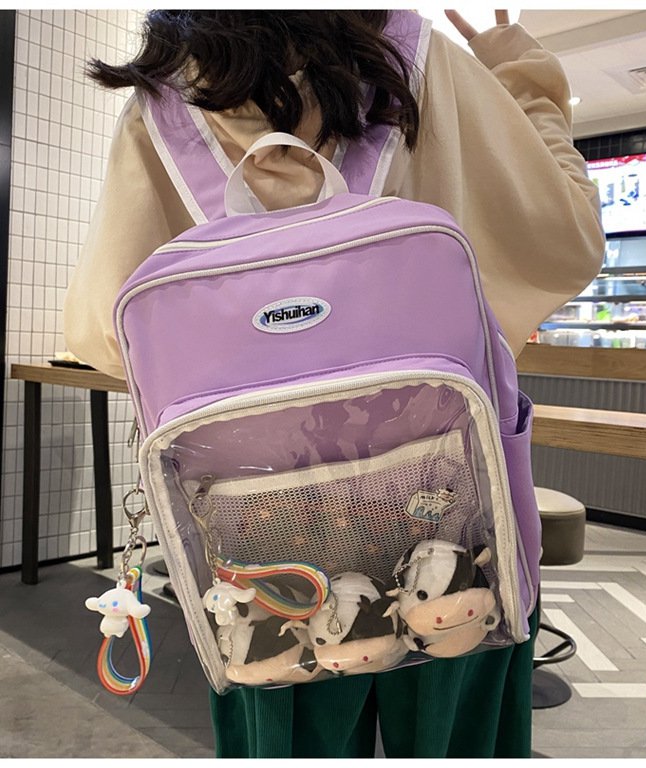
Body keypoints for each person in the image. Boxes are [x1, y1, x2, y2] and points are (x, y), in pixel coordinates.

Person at [64, 9, 605, 759]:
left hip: (262, 549)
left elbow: (103, 333)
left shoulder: (164, 100)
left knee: (283, 730)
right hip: (456, 524)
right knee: (455, 725)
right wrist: (522, 78)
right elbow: (567, 240)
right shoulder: (424, 63)